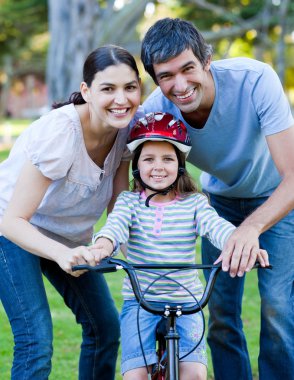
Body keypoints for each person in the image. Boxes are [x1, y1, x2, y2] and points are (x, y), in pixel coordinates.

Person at [140, 17, 294, 380]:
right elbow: (126, 167)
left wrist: (251, 228)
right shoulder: (155, 111)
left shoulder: (255, 79)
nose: (179, 85)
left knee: (278, 309)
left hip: (277, 198)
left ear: (206, 60)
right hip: (219, 204)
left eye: (188, 68)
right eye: (166, 76)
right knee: (222, 313)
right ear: (155, 78)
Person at [90, 112, 269, 380]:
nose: (158, 166)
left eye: (167, 159)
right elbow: (114, 228)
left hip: (187, 301)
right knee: (135, 375)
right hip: (141, 301)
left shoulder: (195, 204)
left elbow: (217, 228)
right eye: (149, 159)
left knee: (194, 374)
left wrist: (243, 246)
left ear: (180, 164)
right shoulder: (129, 202)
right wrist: (102, 247)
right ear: (137, 164)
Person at [0, 44, 142, 380]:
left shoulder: (125, 130)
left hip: (66, 236)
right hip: (11, 228)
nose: (121, 99)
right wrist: (62, 255)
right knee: (36, 339)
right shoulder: (61, 132)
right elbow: (13, 221)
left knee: (105, 327)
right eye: (108, 89)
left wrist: (132, 250)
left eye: (130, 88)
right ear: (86, 91)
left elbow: (118, 200)